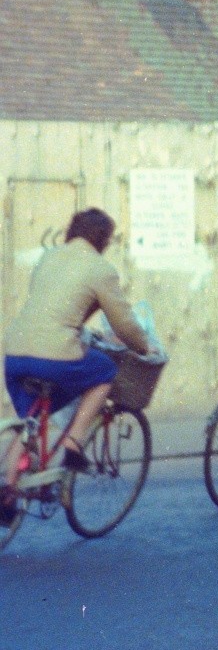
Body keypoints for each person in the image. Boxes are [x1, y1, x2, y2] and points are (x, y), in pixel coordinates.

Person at [4, 208, 152, 502]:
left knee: (31, 422)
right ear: (102, 239)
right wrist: (143, 346)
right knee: (104, 371)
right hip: (54, 357)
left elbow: (55, 307)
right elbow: (123, 323)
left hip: (14, 355)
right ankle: (73, 445)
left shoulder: (48, 257)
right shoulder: (101, 269)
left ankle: (8, 493)